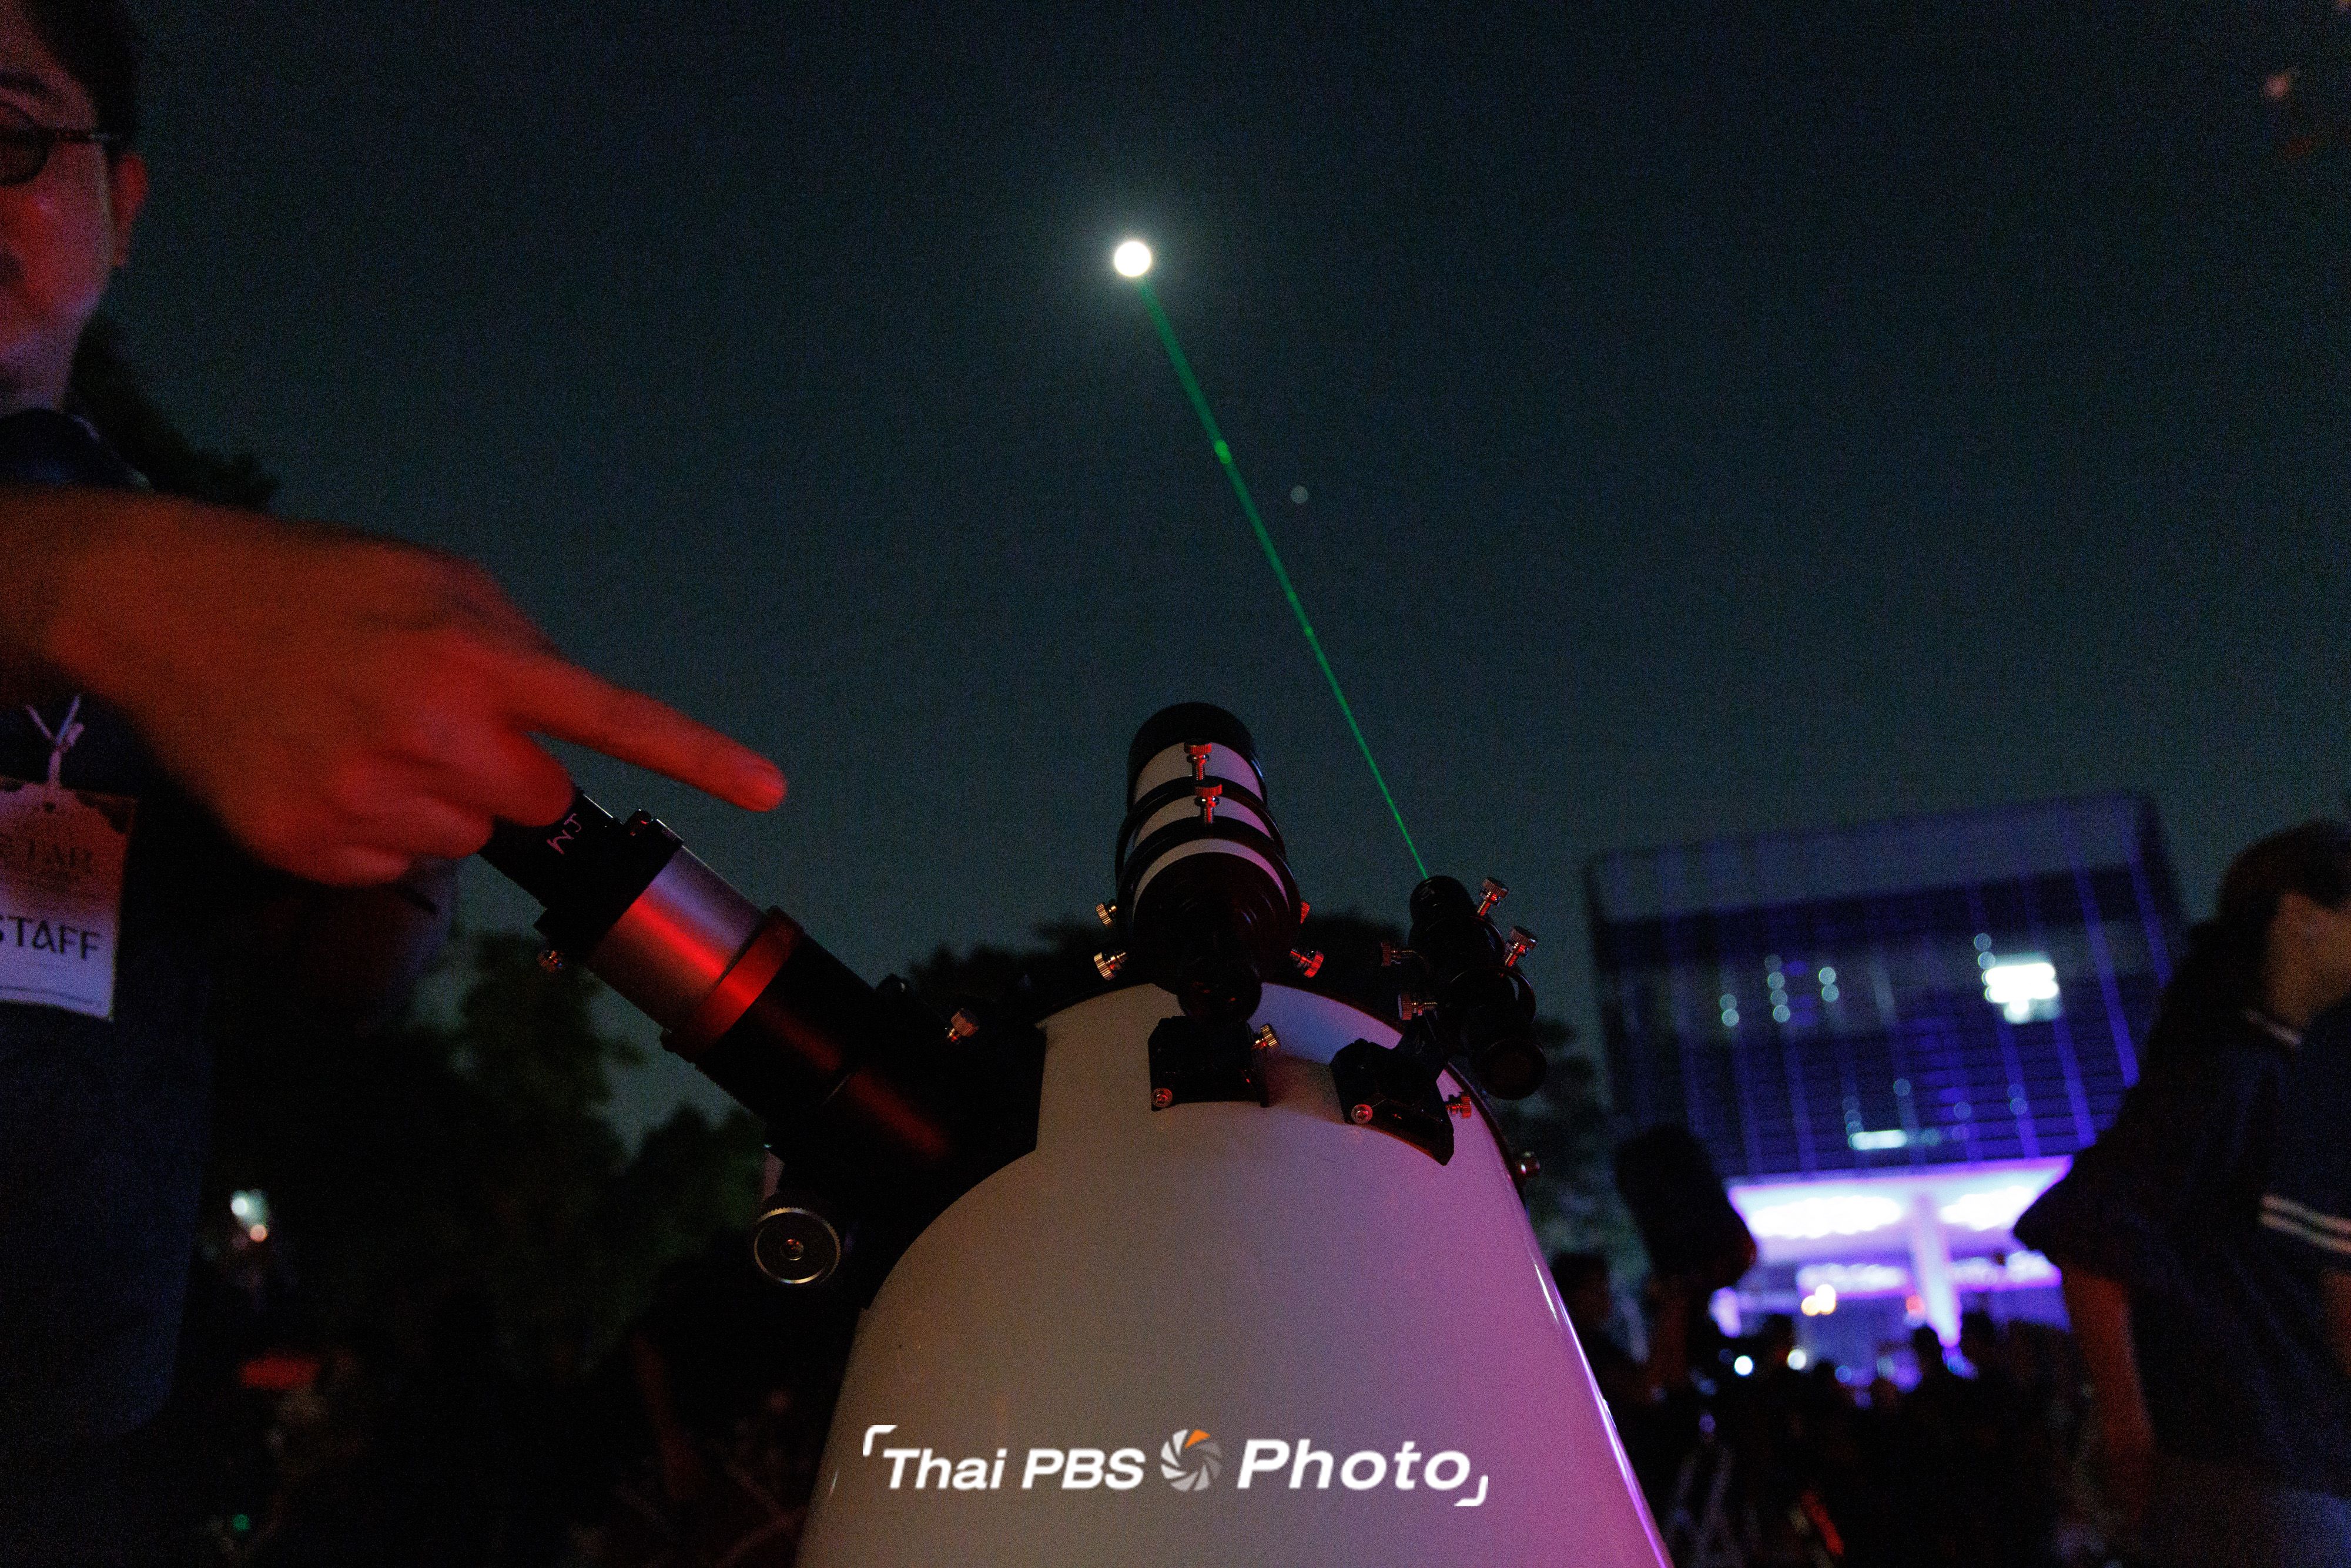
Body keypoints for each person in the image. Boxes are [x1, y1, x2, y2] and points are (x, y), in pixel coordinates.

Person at [0, 3, 783, 1558]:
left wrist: (396, 869)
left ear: (120, 200)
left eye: (7, 136)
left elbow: (304, 966)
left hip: (85, 1427)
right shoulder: (160, 569)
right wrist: (76, 585)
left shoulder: (172, 539)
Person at [2014, 821, 2351, 1567]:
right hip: (2258, 1483)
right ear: (2300, 917)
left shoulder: (2281, 1075)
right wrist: (2133, 1440)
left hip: (2287, 1476)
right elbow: (2088, 1237)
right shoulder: (2231, 1079)